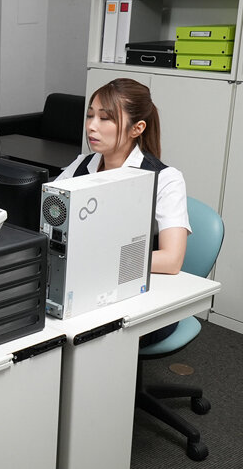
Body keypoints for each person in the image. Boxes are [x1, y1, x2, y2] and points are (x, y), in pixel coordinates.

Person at [57, 78, 190, 345]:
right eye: (90, 115)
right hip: (86, 289)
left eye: (105, 118)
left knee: (82, 336)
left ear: (137, 128)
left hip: (143, 299)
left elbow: (171, 260)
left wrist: (98, 263)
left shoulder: (165, 179)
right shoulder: (82, 165)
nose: (91, 126)